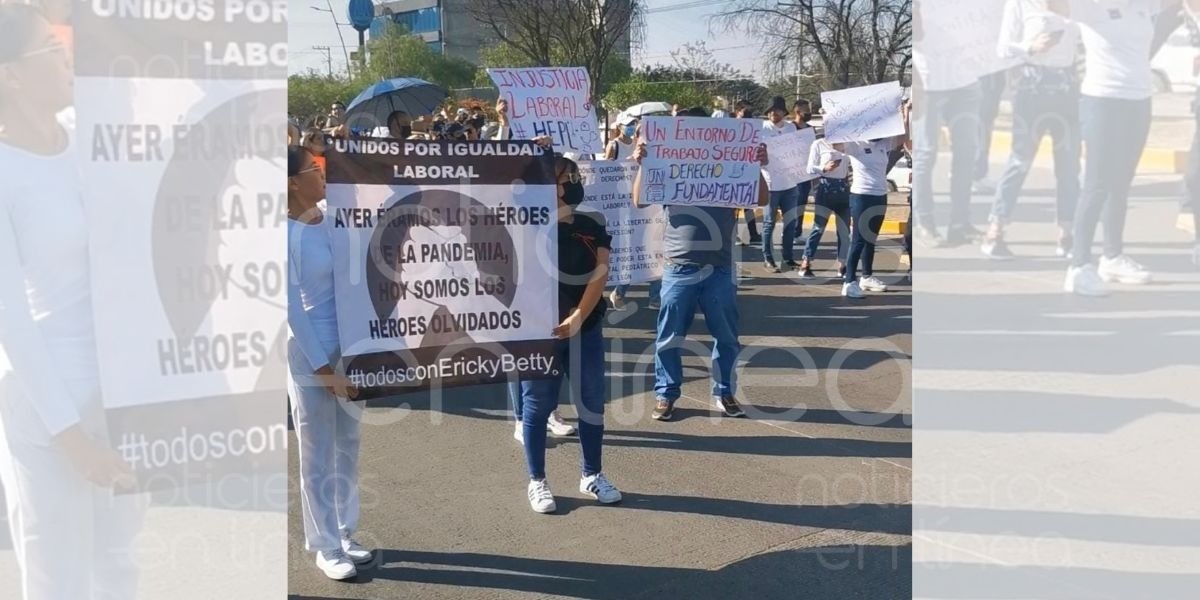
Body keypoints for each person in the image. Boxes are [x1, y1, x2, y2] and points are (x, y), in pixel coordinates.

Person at [0, 6, 144, 598]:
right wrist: (70, 436)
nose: (67, 55)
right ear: (10, 74)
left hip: (123, 392)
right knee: (60, 577)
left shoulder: (91, 139)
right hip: (47, 405)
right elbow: (9, 320)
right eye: (51, 48)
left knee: (118, 565)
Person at [632, 106, 770, 421]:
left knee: (727, 337)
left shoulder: (729, 164)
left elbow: (759, 199)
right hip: (679, 268)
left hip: (718, 269)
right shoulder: (667, 165)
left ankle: (724, 392)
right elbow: (639, 199)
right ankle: (665, 394)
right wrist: (644, 164)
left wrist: (756, 166)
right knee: (669, 337)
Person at [287, 146, 373, 580]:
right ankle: (324, 545)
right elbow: (292, 310)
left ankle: (345, 531)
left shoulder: (334, 216)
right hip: (311, 355)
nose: (323, 174)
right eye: (313, 169)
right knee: (317, 450)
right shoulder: (281, 234)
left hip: (351, 347)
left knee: (348, 444)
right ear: (291, 184)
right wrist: (325, 372)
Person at [520, 155, 622, 513]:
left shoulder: (591, 221)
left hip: (586, 328)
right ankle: (538, 481)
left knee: (591, 404)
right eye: (558, 179)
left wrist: (579, 316)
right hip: (538, 332)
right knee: (537, 406)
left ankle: (591, 474)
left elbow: (601, 271)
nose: (566, 185)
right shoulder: (520, 225)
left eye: (568, 178)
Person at [1062, 0, 1161, 296]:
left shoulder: (1146, 5)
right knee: (1097, 185)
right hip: (1103, 101)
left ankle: (1112, 256)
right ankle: (1079, 266)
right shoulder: (1089, 7)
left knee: (1121, 184)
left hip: (1140, 101)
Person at [983, 0, 1081, 260]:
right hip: (1031, 88)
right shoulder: (1020, 4)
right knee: (1020, 161)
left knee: (1069, 167)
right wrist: (1030, 46)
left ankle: (1067, 234)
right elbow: (1003, 48)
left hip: (1067, 88)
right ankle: (995, 231)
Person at [912, 0, 985, 247]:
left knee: (966, 154)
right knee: (926, 154)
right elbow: (918, 29)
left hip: (966, 84)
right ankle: (925, 222)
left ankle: (960, 223)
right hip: (931, 86)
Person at [841, 105, 907, 298]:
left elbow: (902, 138)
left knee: (871, 238)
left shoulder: (883, 144)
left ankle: (867, 276)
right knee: (859, 239)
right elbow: (835, 144)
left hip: (880, 195)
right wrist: (831, 121)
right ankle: (849, 282)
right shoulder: (856, 144)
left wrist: (905, 113)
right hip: (861, 195)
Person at [759, 96, 803, 272]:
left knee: (790, 223)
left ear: (783, 112)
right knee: (769, 223)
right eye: (770, 110)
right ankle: (768, 258)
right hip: (770, 183)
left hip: (790, 183)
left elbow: (799, 150)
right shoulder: (762, 129)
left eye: (776, 110)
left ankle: (788, 258)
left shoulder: (791, 128)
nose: (773, 113)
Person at [800, 136, 851, 279]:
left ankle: (842, 264)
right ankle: (806, 261)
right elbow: (809, 167)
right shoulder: (819, 144)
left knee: (844, 230)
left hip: (843, 188)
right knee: (818, 227)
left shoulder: (848, 143)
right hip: (825, 187)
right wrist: (824, 168)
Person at [733, 100, 762, 245]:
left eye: (750, 113)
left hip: (748, 170)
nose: (748, 116)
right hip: (733, 171)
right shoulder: (730, 129)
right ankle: (734, 234)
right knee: (733, 206)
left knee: (748, 205)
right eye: (745, 113)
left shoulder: (754, 129)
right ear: (737, 112)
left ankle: (753, 234)